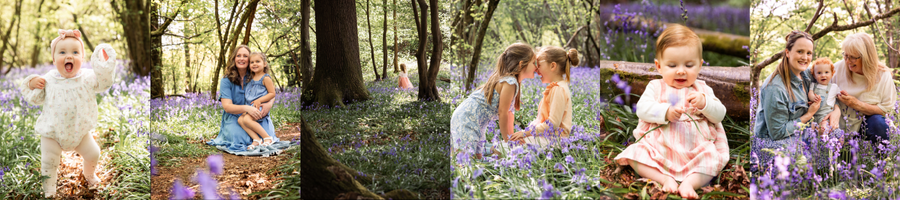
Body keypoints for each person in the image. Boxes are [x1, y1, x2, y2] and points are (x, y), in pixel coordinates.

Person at [613, 25, 729, 199]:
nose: (681, 70)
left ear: (699, 65)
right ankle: (664, 178)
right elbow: (642, 110)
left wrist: (705, 104)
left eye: (689, 65)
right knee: (635, 155)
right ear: (659, 67)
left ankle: (691, 182)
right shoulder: (655, 86)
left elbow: (720, 114)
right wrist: (665, 111)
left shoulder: (702, 88)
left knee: (712, 159)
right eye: (672, 65)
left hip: (696, 148)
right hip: (660, 147)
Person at [20, 29, 117, 197]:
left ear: (82, 58)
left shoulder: (87, 77)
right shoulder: (48, 79)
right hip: (52, 133)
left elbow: (104, 83)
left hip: (79, 132)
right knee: (49, 162)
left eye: (75, 52)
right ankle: (49, 189)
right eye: (62, 52)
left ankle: (89, 174)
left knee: (93, 153)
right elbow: (34, 98)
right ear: (53, 59)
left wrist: (104, 67)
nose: (69, 56)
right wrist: (32, 83)